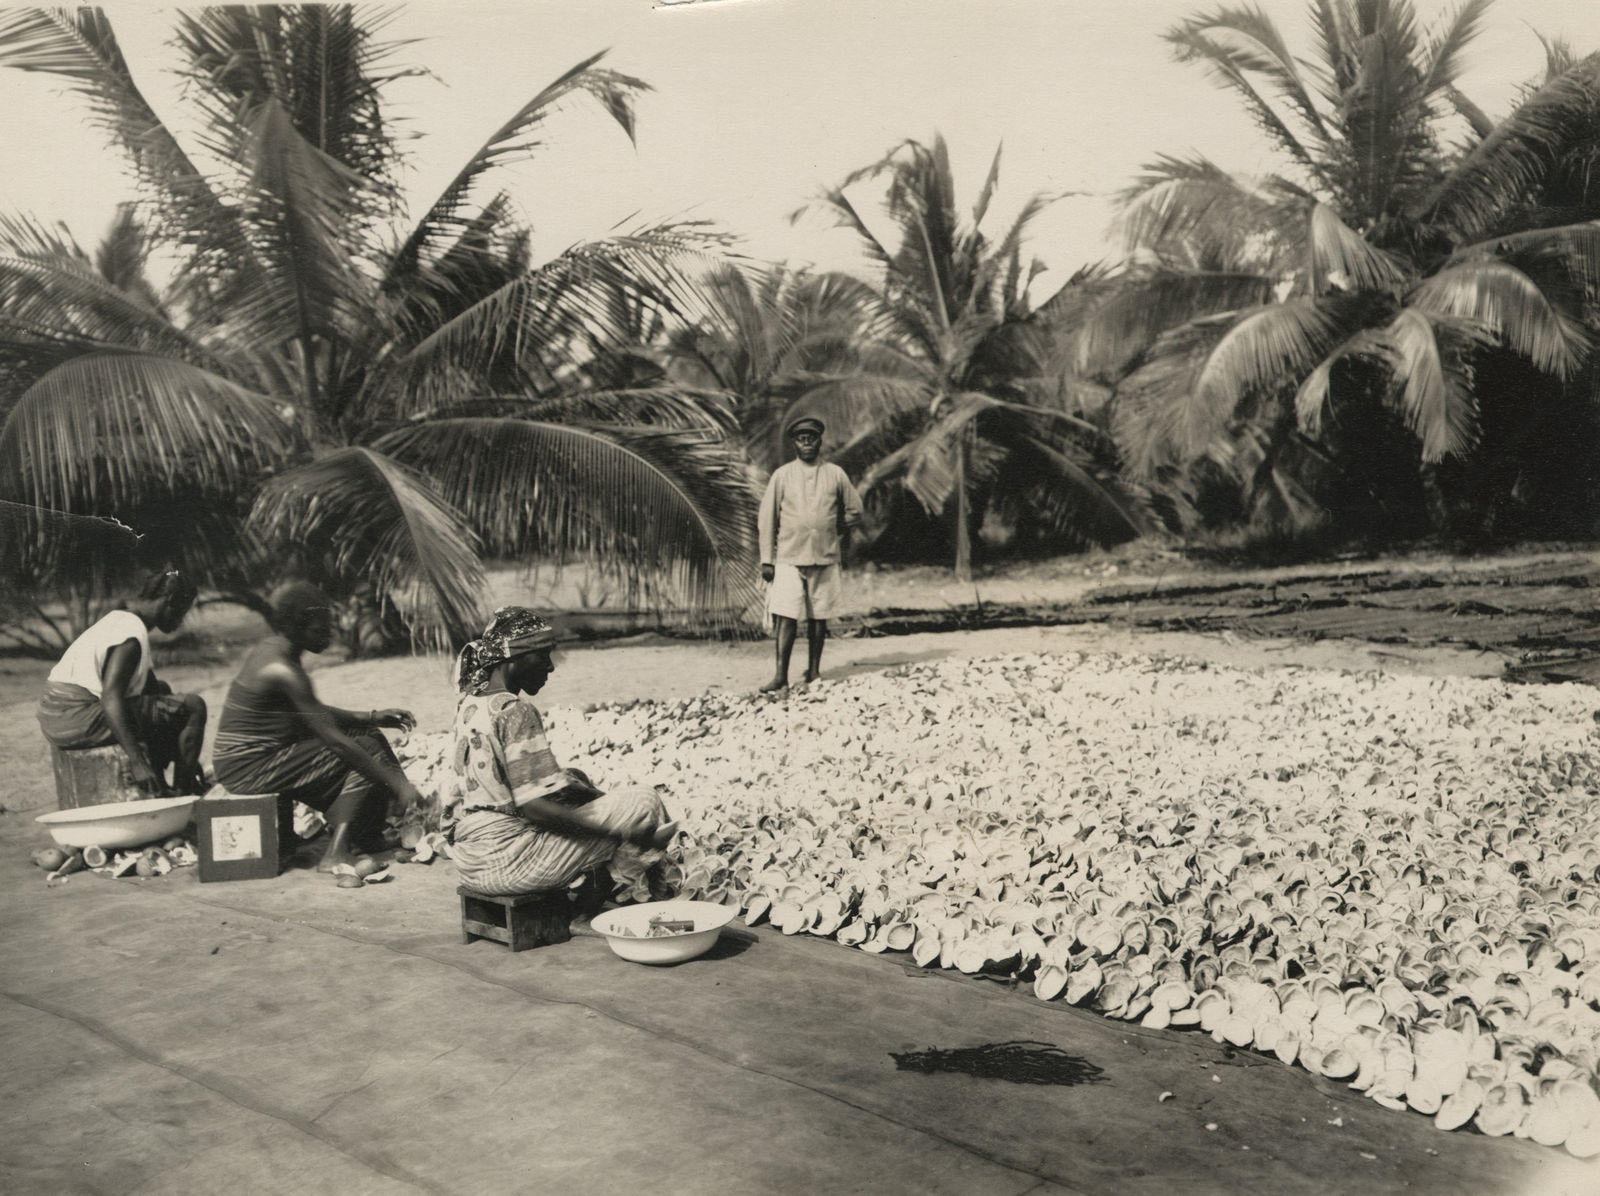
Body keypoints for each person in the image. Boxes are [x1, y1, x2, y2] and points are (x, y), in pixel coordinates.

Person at [448, 606, 679, 904]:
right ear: (515, 658)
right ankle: (592, 904)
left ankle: (602, 884)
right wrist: (614, 832)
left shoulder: (470, 703)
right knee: (644, 801)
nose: (550, 667)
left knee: (573, 779)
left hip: (470, 862)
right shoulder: (516, 711)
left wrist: (587, 793)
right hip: (508, 866)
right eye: (542, 656)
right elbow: (535, 808)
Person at [212, 582, 423, 873]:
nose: (328, 636)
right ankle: (336, 853)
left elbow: (312, 711)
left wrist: (371, 717)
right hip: (247, 767)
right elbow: (335, 740)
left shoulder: (273, 650)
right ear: (297, 627)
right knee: (364, 751)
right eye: (319, 629)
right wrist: (400, 784)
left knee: (368, 736)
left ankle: (367, 836)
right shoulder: (284, 670)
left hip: (249, 758)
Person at [37, 570, 208, 795]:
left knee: (164, 693)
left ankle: (164, 788)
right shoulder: (131, 638)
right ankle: (185, 793)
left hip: (56, 716)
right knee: (194, 706)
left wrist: (184, 750)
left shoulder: (120, 618)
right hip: (76, 718)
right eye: (181, 612)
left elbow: (154, 691)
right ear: (170, 601)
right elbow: (111, 698)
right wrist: (136, 760)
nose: (180, 622)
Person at [756, 415, 864, 691]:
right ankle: (781, 675)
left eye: (811, 438)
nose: (807, 444)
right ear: (794, 443)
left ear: (820, 441)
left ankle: (814, 671)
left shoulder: (835, 474)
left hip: (824, 556)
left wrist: (837, 526)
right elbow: (766, 518)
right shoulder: (782, 475)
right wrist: (767, 559)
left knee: (820, 616)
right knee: (786, 614)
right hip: (789, 557)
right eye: (801, 439)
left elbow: (855, 509)